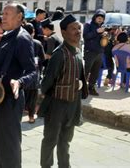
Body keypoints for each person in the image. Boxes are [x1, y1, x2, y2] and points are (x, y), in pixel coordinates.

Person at [0, 3, 36, 167]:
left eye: (7, 14)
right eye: (3, 13)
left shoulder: (22, 38)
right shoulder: (7, 36)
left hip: (10, 101)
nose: (2, 17)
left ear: (19, 17)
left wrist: (19, 82)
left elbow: (34, 73)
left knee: (9, 145)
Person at [39, 14, 89, 168]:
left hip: (73, 104)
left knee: (65, 141)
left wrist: (79, 85)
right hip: (57, 105)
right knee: (50, 140)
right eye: (73, 29)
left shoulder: (78, 52)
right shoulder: (59, 54)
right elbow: (46, 83)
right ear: (64, 32)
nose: (78, 31)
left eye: (79, 28)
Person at [22, 23, 45, 124]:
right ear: (33, 32)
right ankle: (31, 116)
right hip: (34, 74)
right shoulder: (37, 43)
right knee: (33, 97)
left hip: (22, 74)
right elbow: (43, 59)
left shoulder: (20, 42)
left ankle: (17, 116)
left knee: (21, 96)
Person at [83, 9, 107, 96]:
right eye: (98, 17)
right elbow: (85, 36)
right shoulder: (88, 24)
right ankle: (82, 89)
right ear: (95, 17)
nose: (100, 19)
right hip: (90, 51)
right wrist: (96, 31)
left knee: (95, 72)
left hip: (99, 52)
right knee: (86, 71)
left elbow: (104, 40)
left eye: (102, 18)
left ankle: (91, 88)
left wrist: (106, 35)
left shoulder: (103, 26)